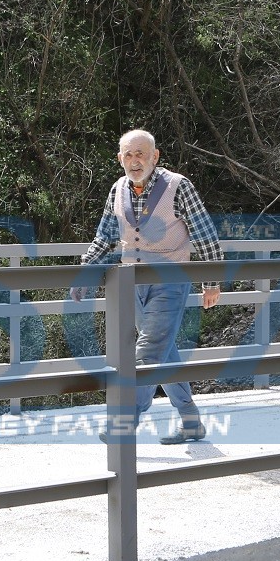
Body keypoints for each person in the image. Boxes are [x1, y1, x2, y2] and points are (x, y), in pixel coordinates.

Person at [72, 129, 225, 444]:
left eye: (140, 154)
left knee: (148, 352)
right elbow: (104, 237)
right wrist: (85, 273)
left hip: (170, 282)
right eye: (128, 155)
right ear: (120, 159)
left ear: (155, 156)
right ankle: (191, 421)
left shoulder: (178, 186)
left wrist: (212, 282)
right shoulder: (118, 189)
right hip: (131, 283)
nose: (134, 160)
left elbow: (206, 236)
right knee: (163, 353)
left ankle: (123, 422)